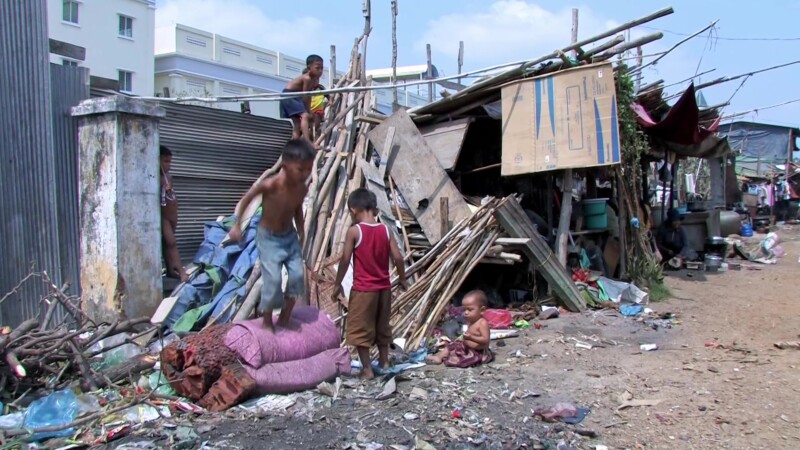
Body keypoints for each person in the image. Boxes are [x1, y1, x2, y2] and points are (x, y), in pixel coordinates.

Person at [229, 138, 316, 332]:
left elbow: (297, 209)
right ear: (285, 165)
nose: (305, 174)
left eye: (309, 169)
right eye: (301, 169)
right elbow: (246, 200)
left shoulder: (301, 187)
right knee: (273, 280)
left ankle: (285, 320)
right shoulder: (270, 185)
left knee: (296, 278)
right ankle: (267, 322)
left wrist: (301, 230)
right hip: (269, 237)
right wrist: (236, 226)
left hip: (289, 236)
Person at [333, 188, 407, 380]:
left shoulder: (354, 231)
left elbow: (344, 260)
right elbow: (398, 258)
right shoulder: (386, 229)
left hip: (364, 290)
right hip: (384, 288)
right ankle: (384, 362)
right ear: (373, 208)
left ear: (353, 210)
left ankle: (366, 369)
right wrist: (403, 278)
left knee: (360, 329)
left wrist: (337, 283)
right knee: (382, 326)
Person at [426, 290, 493, 368]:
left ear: (482, 310)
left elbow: (485, 340)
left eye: (470, 309)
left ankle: (453, 358)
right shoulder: (471, 321)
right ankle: (439, 357)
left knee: (464, 360)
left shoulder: (482, 323)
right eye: (464, 309)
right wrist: (461, 338)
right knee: (451, 346)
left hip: (477, 351)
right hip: (466, 347)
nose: (466, 312)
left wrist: (471, 337)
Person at [281, 55, 324, 145]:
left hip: (294, 96)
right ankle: (307, 142)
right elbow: (305, 96)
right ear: (309, 67)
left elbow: (309, 96)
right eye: (317, 68)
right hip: (290, 95)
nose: (320, 71)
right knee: (304, 116)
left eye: (322, 68)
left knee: (297, 124)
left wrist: (309, 111)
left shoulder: (313, 80)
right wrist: (307, 112)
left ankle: (294, 145)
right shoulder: (307, 78)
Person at [160, 145, 188, 282]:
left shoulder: (168, 178)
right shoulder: (156, 179)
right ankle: (181, 271)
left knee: (166, 244)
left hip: (172, 216)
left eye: (170, 162)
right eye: (165, 161)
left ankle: (171, 270)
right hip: (164, 216)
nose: (168, 165)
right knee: (171, 242)